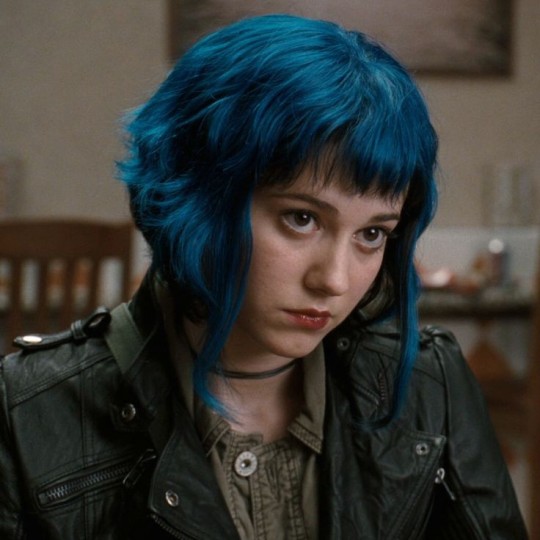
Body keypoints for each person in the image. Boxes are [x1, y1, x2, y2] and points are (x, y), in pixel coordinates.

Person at [0, 14, 527, 540]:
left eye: (372, 233)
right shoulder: (26, 411)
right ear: (199, 199)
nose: (334, 280)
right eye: (301, 218)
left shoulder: (430, 384)